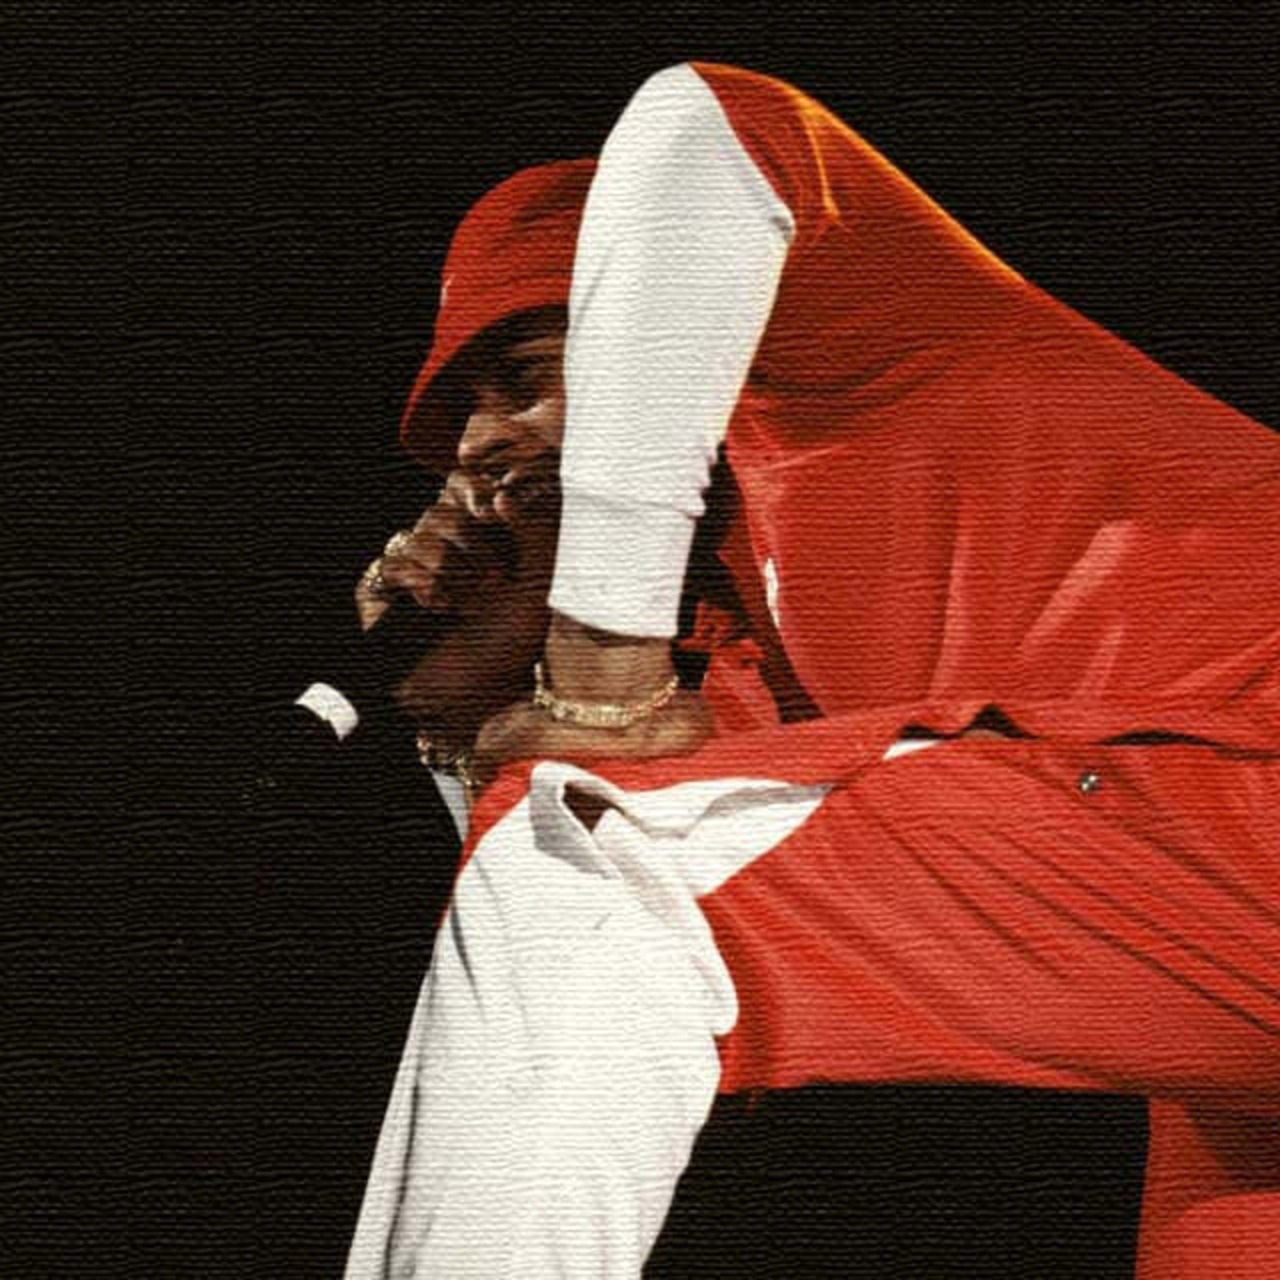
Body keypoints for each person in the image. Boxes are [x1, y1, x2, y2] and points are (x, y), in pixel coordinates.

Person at [347, 65, 1280, 1279]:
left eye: (521, 376)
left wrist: (598, 656)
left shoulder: (864, 340)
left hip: (1243, 809)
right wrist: (470, 701)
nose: (475, 443)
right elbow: (625, 1011)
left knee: (589, 866)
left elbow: (695, 122)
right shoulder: (753, 644)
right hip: (1225, 982)